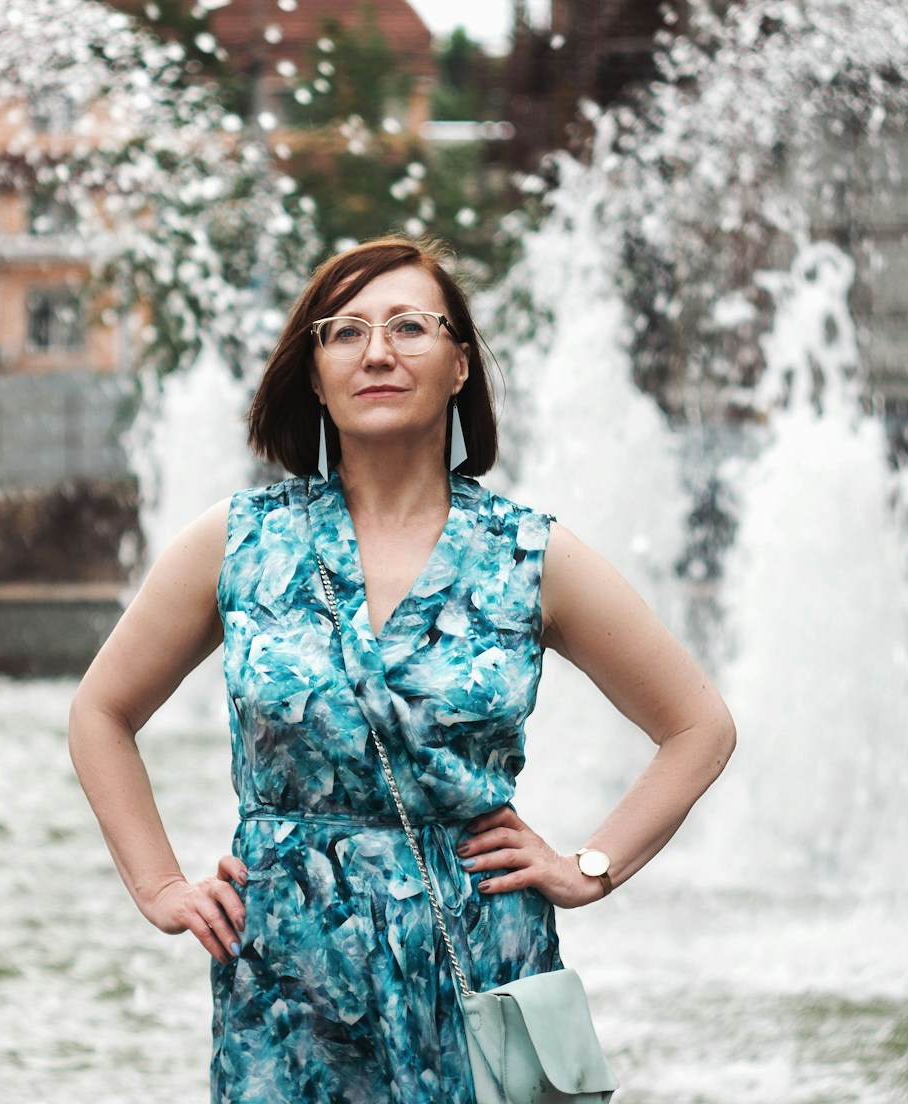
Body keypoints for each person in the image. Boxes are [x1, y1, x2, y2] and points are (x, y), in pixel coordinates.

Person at [68, 237, 736, 1102]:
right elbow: (100, 713)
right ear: (313, 374)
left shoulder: (529, 555)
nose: (376, 351)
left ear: (460, 363)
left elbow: (698, 726)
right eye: (344, 332)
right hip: (289, 977)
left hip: (478, 961)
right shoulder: (240, 541)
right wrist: (158, 884)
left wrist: (590, 868)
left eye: (409, 327)